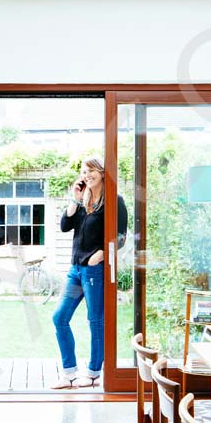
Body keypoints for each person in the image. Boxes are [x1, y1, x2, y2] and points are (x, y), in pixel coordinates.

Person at [50, 156, 128, 388]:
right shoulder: (83, 200)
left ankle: (93, 372)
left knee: (95, 320)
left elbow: (121, 237)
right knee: (59, 318)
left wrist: (101, 254)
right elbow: (65, 226)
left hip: (94, 271)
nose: (86, 175)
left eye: (91, 170)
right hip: (76, 269)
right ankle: (70, 373)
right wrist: (74, 199)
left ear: (102, 172)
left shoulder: (114, 202)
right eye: (84, 171)